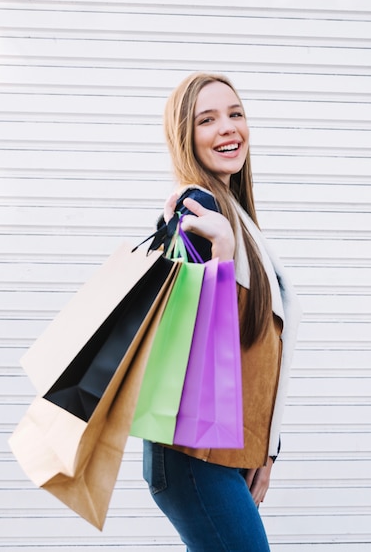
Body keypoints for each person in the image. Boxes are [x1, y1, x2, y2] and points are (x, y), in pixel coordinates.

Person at [143, 72, 302, 551]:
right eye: (207, 119)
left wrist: (265, 449)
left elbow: (260, 349)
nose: (228, 128)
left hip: (221, 449)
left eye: (235, 114)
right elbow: (183, 334)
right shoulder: (198, 210)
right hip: (193, 453)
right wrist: (223, 255)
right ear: (185, 137)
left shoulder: (235, 213)